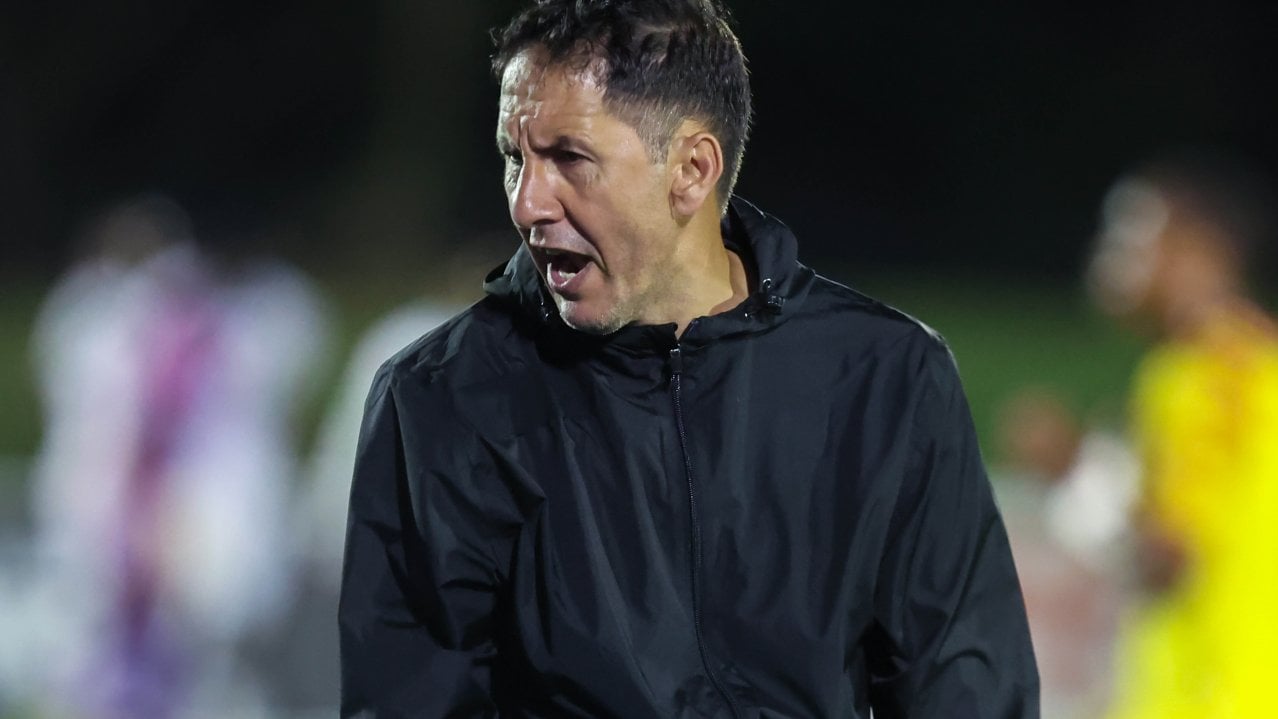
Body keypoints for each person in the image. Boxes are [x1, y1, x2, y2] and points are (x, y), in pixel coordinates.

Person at [339, 1, 1039, 716]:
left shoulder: (888, 377)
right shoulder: (439, 397)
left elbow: (965, 692)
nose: (526, 203)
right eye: (514, 157)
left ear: (692, 170)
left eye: (569, 159)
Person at [1086, 150, 1278, 718]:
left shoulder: (1208, 374)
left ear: (1202, 251)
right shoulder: (1238, 363)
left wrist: (1078, 478)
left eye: (1135, 238)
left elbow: (1168, 559)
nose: (1112, 261)